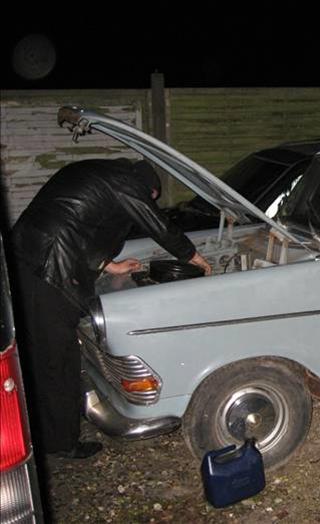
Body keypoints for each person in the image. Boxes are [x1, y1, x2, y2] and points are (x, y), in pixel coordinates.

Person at [11, 158, 211, 459]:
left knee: (44, 351)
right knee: (58, 357)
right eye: (152, 196)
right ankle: (61, 442)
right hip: (48, 267)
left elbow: (80, 224)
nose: (150, 201)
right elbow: (158, 224)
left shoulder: (99, 173)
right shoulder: (126, 182)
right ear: (147, 188)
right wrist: (193, 257)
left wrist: (111, 265)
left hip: (31, 254)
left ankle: (48, 425)